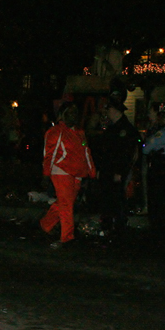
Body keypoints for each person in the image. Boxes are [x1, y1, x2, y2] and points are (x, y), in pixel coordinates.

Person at [39, 103, 95, 249]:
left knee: (65, 202)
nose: (74, 115)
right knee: (66, 204)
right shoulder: (56, 132)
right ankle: (67, 237)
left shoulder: (79, 133)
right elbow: (49, 155)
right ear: (62, 114)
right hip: (61, 171)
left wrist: (92, 171)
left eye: (76, 112)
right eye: (70, 112)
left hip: (77, 174)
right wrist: (46, 174)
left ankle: (46, 224)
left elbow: (86, 153)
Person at [98, 97, 141, 236]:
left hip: (116, 171)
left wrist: (120, 172)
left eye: (109, 109)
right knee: (107, 197)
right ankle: (108, 225)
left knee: (116, 198)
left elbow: (127, 154)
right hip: (108, 170)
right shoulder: (113, 128)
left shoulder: (126, 129)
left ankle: (119, 226)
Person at [142, 103, 165, 235]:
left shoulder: (162, 133)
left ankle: (156, 226)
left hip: (159, 166)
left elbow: (146, 149)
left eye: (163, 116)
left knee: (155, 197)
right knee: (163, 197)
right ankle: (162, 225)